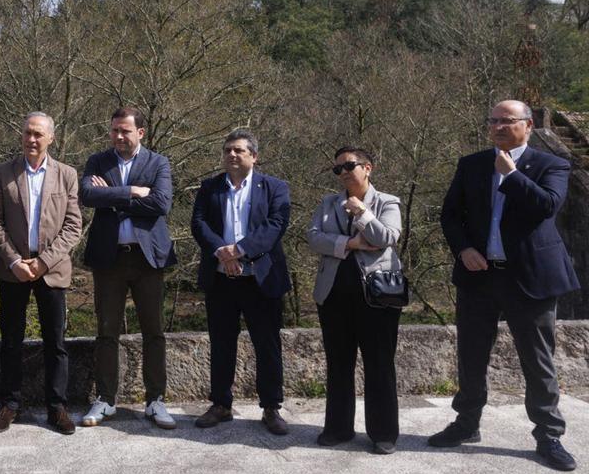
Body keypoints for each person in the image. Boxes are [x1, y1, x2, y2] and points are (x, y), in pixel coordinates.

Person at [430, 99, 579, 471]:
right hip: (479, 275)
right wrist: (463, 248)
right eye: (492, 120)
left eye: (506, 121)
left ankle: (549, 434)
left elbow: (547, 206)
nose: (497, 126)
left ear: (527, 126)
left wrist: (512, 176)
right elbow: (450, 215)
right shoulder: (472, 164)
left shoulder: (552, 164)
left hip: (529, 277)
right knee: (471, 355)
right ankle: (467, 423)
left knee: (537, 359)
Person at [79, 107, 177, 429]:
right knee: (107, 331)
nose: (119, 136)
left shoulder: (158, 162)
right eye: (114, 131)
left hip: (147, 258)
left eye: (125, 131)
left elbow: (161, 203)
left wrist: (111, 195)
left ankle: (156, 400)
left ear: (141, 133)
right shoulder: (98, 161)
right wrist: (132, 192)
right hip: (110, 258)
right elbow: (87, 194)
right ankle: (106, 399)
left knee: (154, 331)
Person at [0, 112, 83, 435]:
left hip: (52, 272)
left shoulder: (67, 175)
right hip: (13, 271)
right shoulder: (4, 173)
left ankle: (57, 407)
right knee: (11, 341)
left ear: (51, 139)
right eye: (28, 133)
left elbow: (73, 226)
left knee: (55, 341)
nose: (31, 139)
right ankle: (9, 404)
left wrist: (43, 262)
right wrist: (15, 261)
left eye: (38, 134)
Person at [190, 129, 292, 436]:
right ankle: (221, 404)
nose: (231, 155)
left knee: (267, 345)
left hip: (260, 279)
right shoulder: (210, 187)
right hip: (221, 279)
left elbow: (276, 225)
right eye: (227, 150)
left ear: (254, 156)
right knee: (222, 344)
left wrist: (240, 249)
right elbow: (199, 223)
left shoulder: (274, 187)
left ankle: (271, 408)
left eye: (238, 150)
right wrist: (223, 252)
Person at [307, 147, 402, 454]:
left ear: (368, 168)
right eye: (338, 169)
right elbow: (313, 237)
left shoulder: (387, 201)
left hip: (377, 296)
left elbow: (387, 237)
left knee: (380, 364)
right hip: (333, 294)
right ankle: (338, 428)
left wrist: (362, 212)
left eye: (350, 166)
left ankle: (383, 433)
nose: (344, 172)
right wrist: (350, 243)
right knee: (338, 364)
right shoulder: (327, 203)